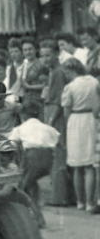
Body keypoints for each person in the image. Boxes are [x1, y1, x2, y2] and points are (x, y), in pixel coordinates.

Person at [9, 100, 60, 228]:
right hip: (48, 158)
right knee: (32, 183)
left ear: (23, 116)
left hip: (32, 157)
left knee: (22, 188)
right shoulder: (46, 127)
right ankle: (36, 209)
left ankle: (38, 218)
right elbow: (57, 138)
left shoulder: (21, 128)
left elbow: (11, 144)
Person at [61, 57, 99, 213]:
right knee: (90, 165)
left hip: (75, 121)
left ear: (72, 70)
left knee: (77, 165)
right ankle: (90, 202)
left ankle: (80, 202)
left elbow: (66, 111)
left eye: (67, 72)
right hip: (91, 120)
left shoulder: (70, 87)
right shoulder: (94, 82)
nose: (67, 75)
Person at [40, 39, 71, 206]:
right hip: (50, 111)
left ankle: (60, 198)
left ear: (56, 54)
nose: (45, 59)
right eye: (42, 55)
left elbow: (60, 100)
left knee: (59, 155)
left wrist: (51, 121)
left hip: (56, 116)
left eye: (48, 55)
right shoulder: (52, 71)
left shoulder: (58, 72)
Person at [8, 38, 26, 102]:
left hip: (23, 97)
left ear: (22, 52)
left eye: (16, 51)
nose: (13, 54)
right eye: (11, 52)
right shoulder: (9, 67)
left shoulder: (26, 64)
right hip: (11, 98)